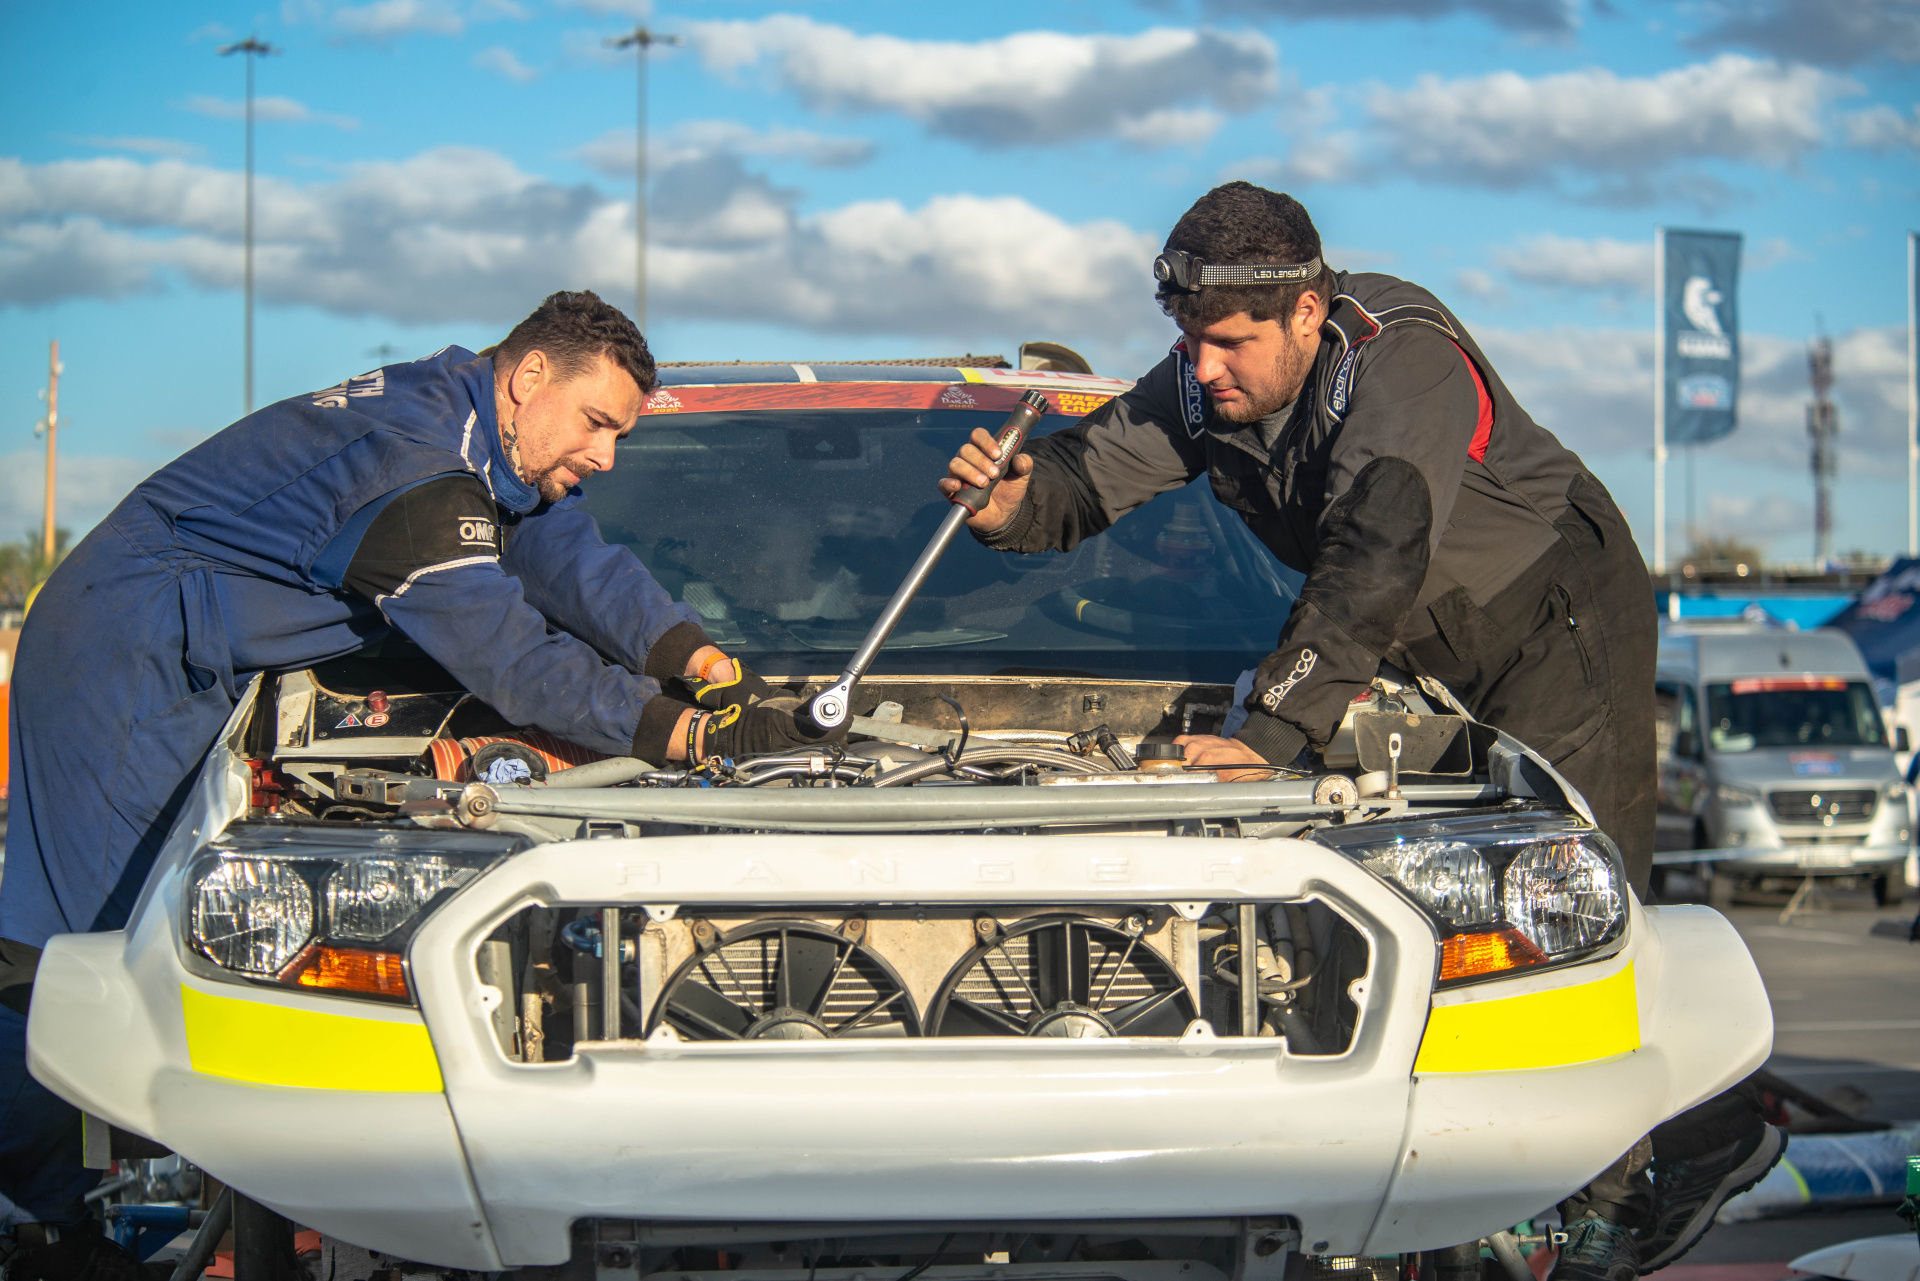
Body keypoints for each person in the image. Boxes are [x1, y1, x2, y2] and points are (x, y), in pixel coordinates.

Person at [942, 182, 1780, 1280]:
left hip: (1551, 612)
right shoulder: (1206, 379)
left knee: (1568, 897)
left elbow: (1372, 551)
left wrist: (1271, 733)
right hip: (1421, 636)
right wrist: (1017, 504)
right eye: (1189, 342)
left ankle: (1643, 1182)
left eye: (1230, 343)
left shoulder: (1400, 358)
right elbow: (1093, 475)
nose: (1203, 370)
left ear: (1306, 311)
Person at [0, 290, 832, 1280]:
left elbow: (575, 565)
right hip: (128, 650)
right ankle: (49, 1227)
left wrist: (704, 665)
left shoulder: (491, 443)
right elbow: (514, 659)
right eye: (598, 424)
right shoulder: (416, 464)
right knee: (70, 940)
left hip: (206, 648)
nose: (607, 456)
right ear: (530, 379)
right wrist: (685, 737)